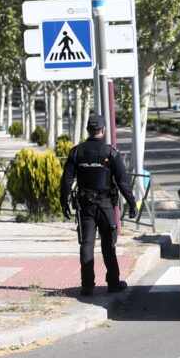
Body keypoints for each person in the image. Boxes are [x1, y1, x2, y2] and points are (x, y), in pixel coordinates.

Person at [60, 114, 138, 295]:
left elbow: (66, 181)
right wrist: (132, 203)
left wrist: (63, 202)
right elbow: (123, 182)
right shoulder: (110, 152)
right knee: (108, 245)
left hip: (85, 205)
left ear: (88, 130)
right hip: (105, 205)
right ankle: (113, 283)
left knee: (86, 244)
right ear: (103, 130)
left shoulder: (76, 152)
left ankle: (87, 286)